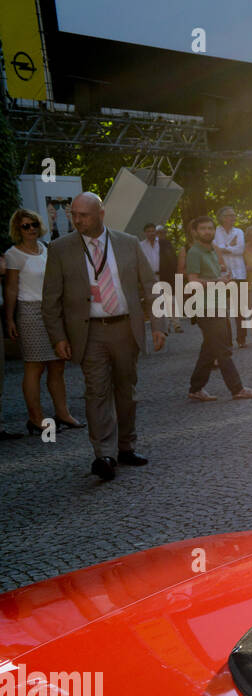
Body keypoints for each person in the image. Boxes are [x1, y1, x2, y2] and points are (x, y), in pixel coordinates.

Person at [40, 192, 166, 481]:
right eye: (74, 214)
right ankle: (104, 455)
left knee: (126, 391)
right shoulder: (60, 249)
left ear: (101, 214)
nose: (77, 220)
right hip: (89, 331)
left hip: (125, 327)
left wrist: (159, 324)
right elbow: (51, 299)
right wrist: (58, 336)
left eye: (83, 215)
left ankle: (125, 447)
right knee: (96, 392)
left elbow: (151, 285)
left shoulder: (128, 243)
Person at [6, 208, 82, 435]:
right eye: (25, 226)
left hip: (52, 311)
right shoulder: (13, 254)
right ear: (18, 230)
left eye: (34, 225)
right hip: (29, 313)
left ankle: (63, 413)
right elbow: (10, 288)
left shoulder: (46, 249)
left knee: (58, 366)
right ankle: (36, 418)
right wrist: (9, 319)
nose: (30, 229)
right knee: (34, 367)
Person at [184, 215, 252, 404]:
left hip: (217, 304)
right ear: (195, 232)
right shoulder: (194, 252)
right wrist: (216, 281)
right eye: (203, 228)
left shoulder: (211, 251)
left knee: (210, 349)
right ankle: (237, 389)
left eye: (210, 228)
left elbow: (214, 275)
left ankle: (195, 389)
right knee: (223, 349)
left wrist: (223, 278)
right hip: (206, 307)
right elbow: (192, 281)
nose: (207, 232)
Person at [214, 207, 248, 347]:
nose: (233, 218)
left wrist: (224, 248)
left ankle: (241, 339)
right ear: (222, 218)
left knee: (240, 309)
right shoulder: (215, 232)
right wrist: (230, 245)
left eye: (234, 215)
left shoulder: (239, 232)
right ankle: (227, 340)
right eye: (230, 216)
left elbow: (241, 249)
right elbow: (215, 249)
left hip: (239, 273)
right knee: (223, 309)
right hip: (223, 275)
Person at [139, 222, 180, 332]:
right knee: (156, 301)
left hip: (165, 275)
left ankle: (176, 323)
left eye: (153, 231)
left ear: (156, 232)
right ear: (145, 233)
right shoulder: (141, 245)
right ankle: (164, 326)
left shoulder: (164, 243)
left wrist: (174, 273)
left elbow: (172, 259)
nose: (151, 233)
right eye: (148, 231)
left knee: (170, 299)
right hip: (150, 277)